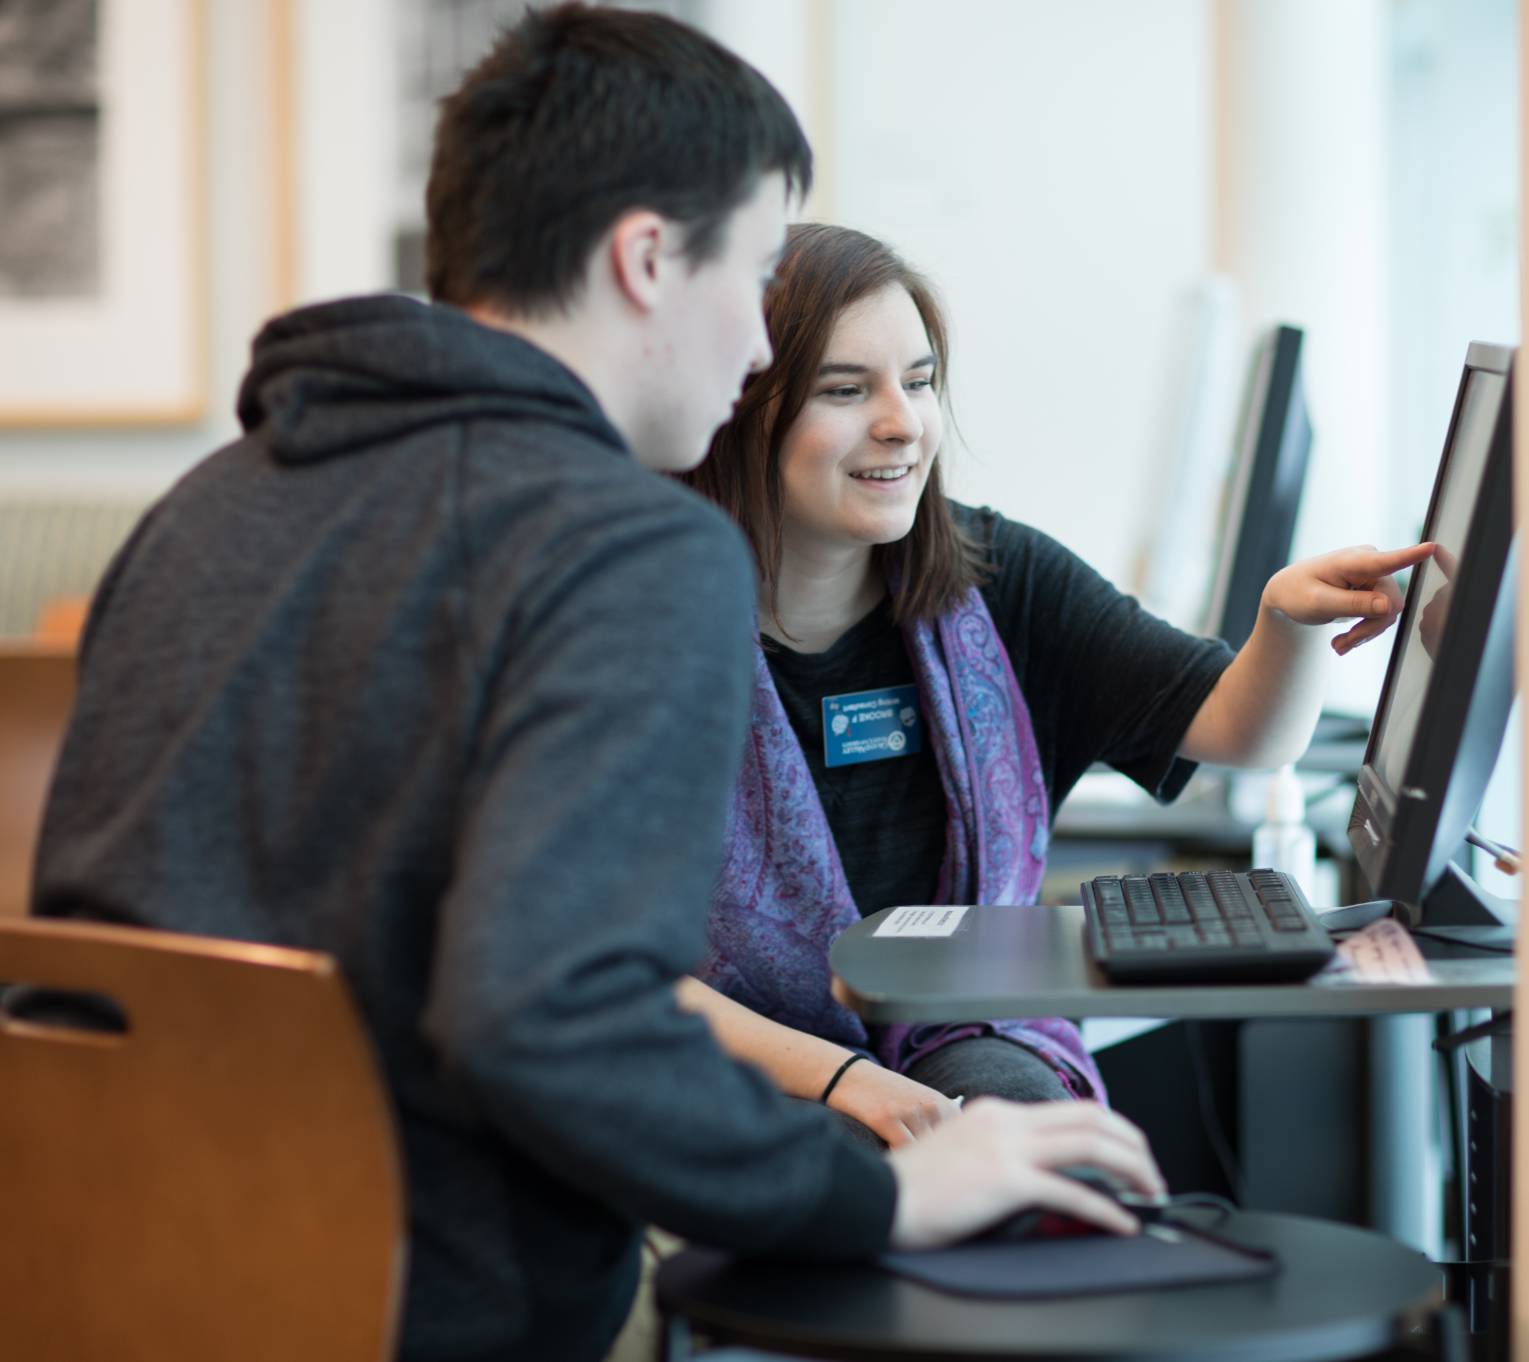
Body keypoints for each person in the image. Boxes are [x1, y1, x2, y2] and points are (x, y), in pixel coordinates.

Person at [26, 10, 1160, 1362]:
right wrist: (884, 1185)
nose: (754, 349)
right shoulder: (629, 549)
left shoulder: (204, 509)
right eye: (749, 277)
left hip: (97, 1268)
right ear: (644, 260)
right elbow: (549, 1017)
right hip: (437, 1301)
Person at [676, 222, 1434, 1147]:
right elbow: (599, 970)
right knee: (857, 1177)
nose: (902, 423)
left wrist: (1286, 622)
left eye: (919, 382)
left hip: (962, 1032)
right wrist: (844, 1080)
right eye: (846, 389)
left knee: (1037, 1160)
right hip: (738, 1059)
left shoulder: (996, 580)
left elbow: (1242, 729)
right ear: (739, 406)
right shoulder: (637, 627)